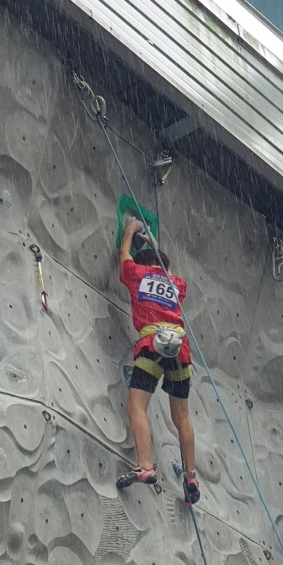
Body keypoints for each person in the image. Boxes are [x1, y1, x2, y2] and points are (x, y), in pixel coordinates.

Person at [116, 213, 199, 503]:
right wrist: (153, 243)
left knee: (137, 406)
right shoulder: (177, 285)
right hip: (180, 350)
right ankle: (190, 475)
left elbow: (124, 257)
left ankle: (145, 466)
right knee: (182, 415)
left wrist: (130, 231)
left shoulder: (137, 275)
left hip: (152, 345)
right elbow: (166, 270)